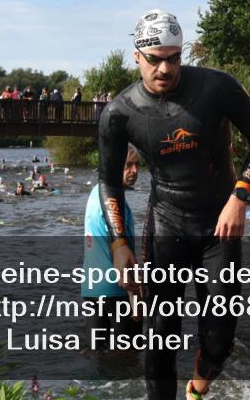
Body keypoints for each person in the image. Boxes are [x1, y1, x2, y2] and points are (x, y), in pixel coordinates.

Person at [98, 9, 250, 400]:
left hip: (219, 223)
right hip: (166, 225)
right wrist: (119, 244)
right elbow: (109, 180)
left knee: (219, 337)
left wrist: (240, 195)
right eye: (155, 59)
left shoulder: (216, 87)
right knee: (160, 332)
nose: (164, 68)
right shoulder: (119, 113)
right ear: (137, 57)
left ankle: (195, 391)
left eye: (173, 58)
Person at [83, 146, 144, 351]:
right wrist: (135, 296)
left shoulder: (95, 193)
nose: (134, 171)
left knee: (97, 355)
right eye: (128, 165)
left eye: (137, 165)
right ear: (113, 166)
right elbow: (120, 250)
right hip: (117, 290)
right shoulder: (114, 202)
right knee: (127, 358)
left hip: (91, 289)